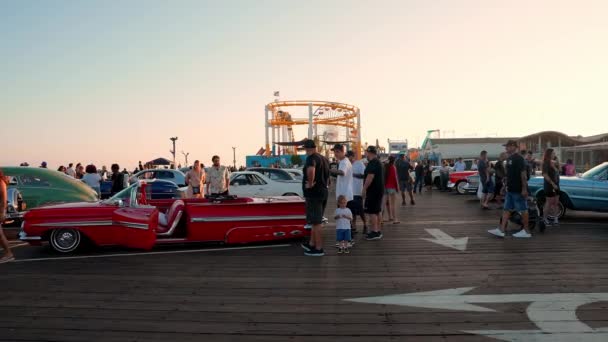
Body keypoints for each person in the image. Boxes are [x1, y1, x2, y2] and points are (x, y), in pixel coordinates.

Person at [488, 140, 531, 238]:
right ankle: (501, 230)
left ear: (513, 147)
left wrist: (524, 189)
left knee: (523, 209)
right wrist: (504, 186)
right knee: (506, 209)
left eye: (507, 146)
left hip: (518, 189)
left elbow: (523, 175)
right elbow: (509, 175)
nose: (506, 148)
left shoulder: (519, 159)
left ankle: (526, 231)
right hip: (510, 189)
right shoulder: (510, 159)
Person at [299, 139, 330, 256]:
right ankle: (312, 244)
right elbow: (328, 177)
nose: (305, 151)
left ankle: (318, 248)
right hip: (323, 192)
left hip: (314, 194)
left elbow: (311, 170)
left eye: (305, 149)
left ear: (308, 149)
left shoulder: (311, 158)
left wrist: (310, 184)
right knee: (315, 221)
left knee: (316, 222)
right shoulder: (324, 159)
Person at [330, 144, 354, 243]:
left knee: (344, 220)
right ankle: (347, 240)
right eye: (334, 152)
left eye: (337, 152)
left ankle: (348, 240)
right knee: (345, 220)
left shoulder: (344, 162)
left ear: (341, 151)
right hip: (345, 194)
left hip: (343, 196)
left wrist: (330, 170)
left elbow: (342, 172)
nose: (335, 154)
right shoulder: (345, 161)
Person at [362, 146, 384, 241]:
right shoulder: (378, 162)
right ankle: (378, 230)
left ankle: (374, 232)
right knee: (377, 210)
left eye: (366, 152)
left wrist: (364, 188)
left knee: (372, 211)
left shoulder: (373, 163)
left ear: (369, 153)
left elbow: (370, 176)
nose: (365, 153)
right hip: (378, 190)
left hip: (373, 190)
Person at [346, 151, 368, 235]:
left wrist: (353, 175)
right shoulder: (346, 164)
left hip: (358, 191)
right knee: (351, 210)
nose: (348, 158)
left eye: (349, 157)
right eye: (347, 157)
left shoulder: (360, 164)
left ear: (353, 156)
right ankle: (354, 227)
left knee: (360, 210)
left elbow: (364, 175)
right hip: (349, 191)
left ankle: (365, 225)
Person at [0, 169, 15, 263]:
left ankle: (9, 254)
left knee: (0, 235)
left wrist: (2, 213)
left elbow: (4, 200)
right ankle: (8, 254)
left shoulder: (1, 183)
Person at [542, 148, 560, 226]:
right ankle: (544, 219)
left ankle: (555, 219)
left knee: (556, 203)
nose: (554, 154)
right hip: (550, 185)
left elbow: (559, 170)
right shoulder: (546, 163)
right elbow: (545, 175)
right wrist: (553, 184)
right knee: (549, 203)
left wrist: (554, 165)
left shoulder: (553, 163)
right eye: (553, 153)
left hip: (556, 185)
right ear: (549, 154)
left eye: (554, 153)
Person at [384, 156, 400, 224]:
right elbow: (395, 178)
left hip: (385, 187)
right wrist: (398, 187)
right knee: (393, 204)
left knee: (383, 204)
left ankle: (382, 218)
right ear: (394, 161)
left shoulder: (385, 167)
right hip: (392, 187)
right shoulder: (393, 167)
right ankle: (395, 219)